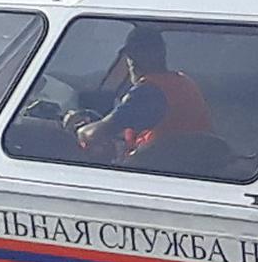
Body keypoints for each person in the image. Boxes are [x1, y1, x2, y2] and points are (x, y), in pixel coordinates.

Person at [72, 26, 213, 162]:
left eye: (134, 54)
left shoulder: (149, 92)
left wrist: (78, 129)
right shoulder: (182, 82)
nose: (131, 59)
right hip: (192, 163)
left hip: (164, 167)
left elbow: (96, 133)